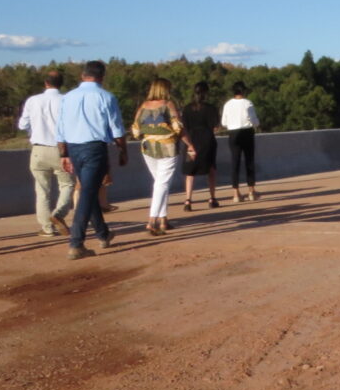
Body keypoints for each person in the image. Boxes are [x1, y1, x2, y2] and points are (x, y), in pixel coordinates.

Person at [57, 60, 128, 260]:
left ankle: (103, 234)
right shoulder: (106, 96)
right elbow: (116, 128)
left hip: (73, 147)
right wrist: (123, 151)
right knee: (88, 192)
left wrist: (63, 153)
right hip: (94, 148)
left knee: (90, 190)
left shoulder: (68, 97)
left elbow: (60, 127)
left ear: (83, 75)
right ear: (102, 77)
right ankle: (76, 243)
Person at [17, 68, 73, 240]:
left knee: (42, 190)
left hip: (38, 149)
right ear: (61, 84)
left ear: (45, 83)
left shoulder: (33, 100)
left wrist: (33, 132)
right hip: (61, 149)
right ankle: (58, 213)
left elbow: (22, 125)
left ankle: (47, 228)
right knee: (67, 184)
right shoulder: (67, 100)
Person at [131, 77, 189, 236]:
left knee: (160, 183)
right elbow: (179, 128)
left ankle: (163, 219)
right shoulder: (168, 105)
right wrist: (190, 145)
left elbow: (135, 130)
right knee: (161, 184)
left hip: (148, 148)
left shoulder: (143, 106)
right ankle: (152, 220)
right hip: (167, 147)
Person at [181, 81, 221, 210]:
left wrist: (188, 143)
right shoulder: (211, 108)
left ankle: (188, 200)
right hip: (207, 141)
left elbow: (183, 127)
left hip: (191, 141)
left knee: (190, 171)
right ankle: (212, 198)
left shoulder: (187, 109)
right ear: (206, 93)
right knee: (210, 169)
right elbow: (216, 127)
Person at [221, 82, 261, 202]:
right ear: (243, 91)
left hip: (233, 134)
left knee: (235, 162)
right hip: (247, 132)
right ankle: (251, 191)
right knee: (249, 161)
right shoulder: (248, 103)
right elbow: (254, 120)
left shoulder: (227, 104)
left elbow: (224, 122)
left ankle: (236, 193)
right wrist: (256, 124)